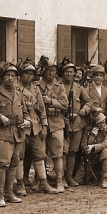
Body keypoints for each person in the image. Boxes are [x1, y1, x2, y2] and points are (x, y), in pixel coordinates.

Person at [0, 64, 30, 207]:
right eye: (7, 75)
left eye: (13, 76)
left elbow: (25, 112)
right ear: (2, 77)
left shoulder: (19, 93)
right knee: (3, 164)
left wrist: (27, 121)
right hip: (2, 133)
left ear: (16, 78)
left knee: (14, 163)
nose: (10, 78)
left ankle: (9, 193)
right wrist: (0, 117)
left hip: (18, 133)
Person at [16, 60, 58, 194]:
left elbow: (42, 108)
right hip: (21, 126)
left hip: (36, 126)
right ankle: (20, 184)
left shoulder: (35, 89)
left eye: (31, 74)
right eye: (26, 73)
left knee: (40, 155)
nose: (29, 76)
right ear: (21, 75)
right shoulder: (15, 88)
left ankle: (44, 184)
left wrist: (44, 125)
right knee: (20, 156)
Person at [37, 56, 69, 193]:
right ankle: (40, 181)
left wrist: (50, 101)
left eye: (53, 70)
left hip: (56, 123)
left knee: (57, 154)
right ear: (43, 71)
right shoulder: (36, 86)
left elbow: (65, 104)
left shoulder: (59, 86)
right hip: (40, 124)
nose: (51, 73)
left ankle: (59, 181)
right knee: (40, 153)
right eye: (49, 70)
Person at [59, 60, 92, 189]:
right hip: (62, 123)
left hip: (77, 124)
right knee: (62, 151)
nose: (69, 74)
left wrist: (84, 110)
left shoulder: (79, 88)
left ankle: (69, 176)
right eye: (67, 72)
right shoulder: (58, 86)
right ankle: (60, 177)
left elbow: (89, 102)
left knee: (73, 151)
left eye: (71, 72)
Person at [81, 113, 107, 189]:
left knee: (106, 152)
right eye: (101, 123)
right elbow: (83, 145)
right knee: (78, 180)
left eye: (104, 122)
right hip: (91, 157)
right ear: (96, 124)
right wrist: (92, 136)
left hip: (104, 156)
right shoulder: (88, 130)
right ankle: (97, 174)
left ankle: (105, 179)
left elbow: (106, 144)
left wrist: (93, 146)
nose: (104, 124)